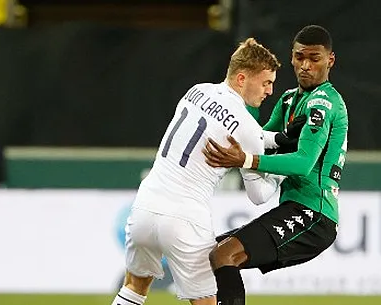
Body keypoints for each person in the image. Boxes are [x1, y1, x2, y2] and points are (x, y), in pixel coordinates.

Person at [110, 38, 295, 305]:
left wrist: (275, 139)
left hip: (145, 206)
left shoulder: (196, 91)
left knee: (133, 288)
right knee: (207, 303)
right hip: (185, 216)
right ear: (242, 79)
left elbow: (220, 126)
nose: (270, 91)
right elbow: (258, 195)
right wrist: (284, 167)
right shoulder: (247, 125)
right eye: (266, 82)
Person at [202, 25, 348, 305]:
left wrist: (246, 159)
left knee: (224, 255)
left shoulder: (324, 103)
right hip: (292, 207)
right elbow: (257, 138)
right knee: (206, 256)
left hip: (315, 213)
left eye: (314, 58)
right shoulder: (290, 99)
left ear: (330, 60)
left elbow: (304, 163)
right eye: (299, 57)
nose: (305, 65)